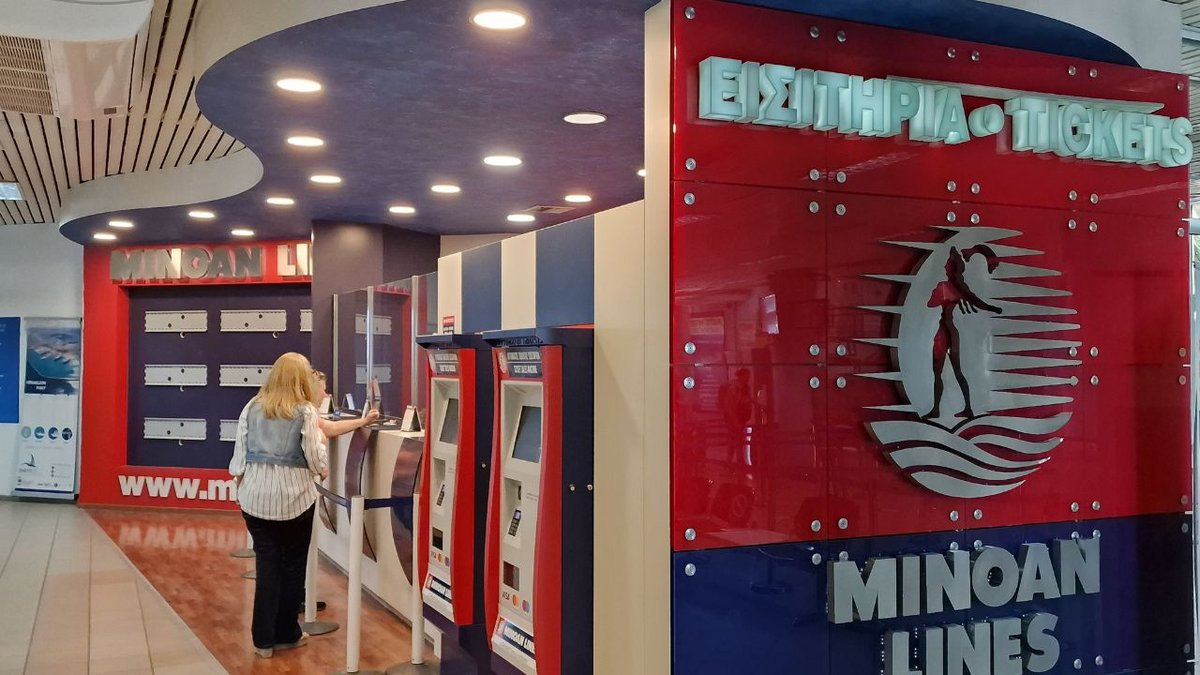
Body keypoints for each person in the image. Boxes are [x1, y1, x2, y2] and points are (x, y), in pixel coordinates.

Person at [228, 352, 376, 658]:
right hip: (294, 500)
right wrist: (322, 467)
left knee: (267, 566)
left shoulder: (251, 406)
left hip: (254, 500)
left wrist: (244, 485)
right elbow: (314, 457)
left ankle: (262, 641)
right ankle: (286, 634)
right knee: (293, 566)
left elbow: (239, 457)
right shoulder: (305, 410)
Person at [925, 245, 1003, 420]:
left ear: (952, 267)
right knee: (946, 371)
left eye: (948, 263)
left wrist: (992, 308)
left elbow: (932, 303)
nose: (945, 266)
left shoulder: (948, 286)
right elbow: (974, 301)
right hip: (947, 332)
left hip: (946, 332)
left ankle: (952, 408)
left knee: (947, 371)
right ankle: (951, 408)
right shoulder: (954, 287)